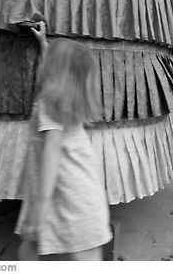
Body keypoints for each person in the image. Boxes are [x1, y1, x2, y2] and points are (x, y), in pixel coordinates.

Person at [15, 22, 112, 261]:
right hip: (80, 188)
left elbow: (51, 150)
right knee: (36, 246)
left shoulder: (49, 104)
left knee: (78, 254)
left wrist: (42, 203)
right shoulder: (62, 101)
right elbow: (59, 70)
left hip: (68, 193)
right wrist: (44, 43)